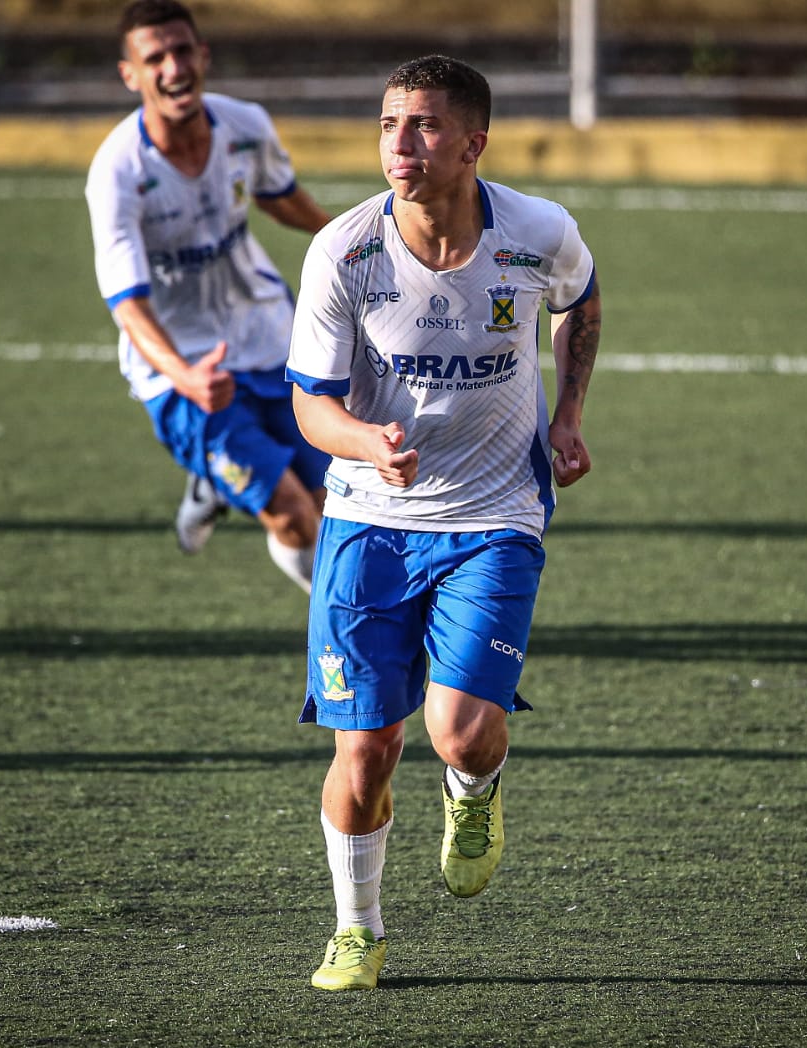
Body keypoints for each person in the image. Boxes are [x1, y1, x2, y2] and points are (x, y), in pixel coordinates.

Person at [285, 54, 602, 990]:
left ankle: (474, 788)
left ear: (473, 144)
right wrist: (363, 442)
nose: (399, 143)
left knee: (459, 733)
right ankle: (358, 932)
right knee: (367, 746)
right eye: (389, 124)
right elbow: (310, 406)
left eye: (422, 126)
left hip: (495, 513)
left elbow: (579, 303)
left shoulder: (537, 232)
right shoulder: (344, 250)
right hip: (367, 521)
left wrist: (570, 416)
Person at [85, 0, 331, 591]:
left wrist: (348, 239)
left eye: (182, 51)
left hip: (273, 338)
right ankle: (347, 637)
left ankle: (212, 483)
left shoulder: (245, 127)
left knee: (340, 507)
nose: (173, 67)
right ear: (132, 75)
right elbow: (127, 303)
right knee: (297, 518)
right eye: (155, 57)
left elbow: (279, 194)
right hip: (185, 372)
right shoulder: (118, 171)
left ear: (203, 56)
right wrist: (185, 377)